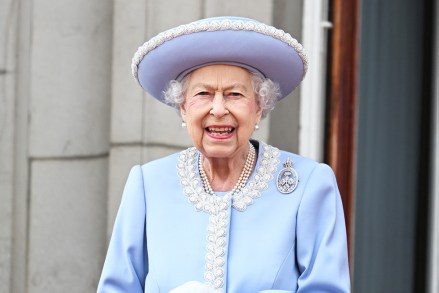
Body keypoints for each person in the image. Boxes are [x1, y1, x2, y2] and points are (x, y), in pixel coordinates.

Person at [97, 16, 350, 293]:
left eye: (234, 95)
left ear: (259, 107)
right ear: (183, 108)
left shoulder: (308, 184)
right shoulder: (148, 184)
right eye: (203, 94)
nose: (218, 109)